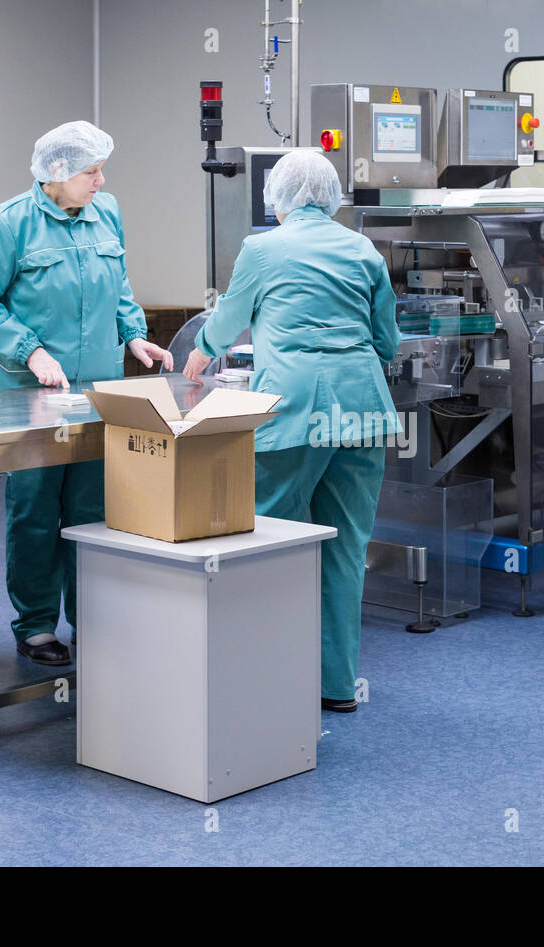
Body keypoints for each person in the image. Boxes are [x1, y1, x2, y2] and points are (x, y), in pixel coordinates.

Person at [182, 150, 400, 712]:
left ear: (276, 198)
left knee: (268, 543)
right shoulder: (362, 248)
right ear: (331, 197)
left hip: (294, 408)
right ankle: (335, 686)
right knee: (346, 547)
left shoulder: (262, 248)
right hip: (363, 408)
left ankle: (265, 681)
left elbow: (229, 318)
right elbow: (387, 340)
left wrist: (201, 354)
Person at [0, 120, 173, 666]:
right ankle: (35, 627)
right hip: (28, 393)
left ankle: (91, 620)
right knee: (34, 508)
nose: (101, 180)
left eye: (102, 169)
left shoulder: (107, 212)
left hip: (99, 390)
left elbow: (120, 283)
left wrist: (135, 337)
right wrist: (29, 349)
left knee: (92, 507)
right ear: (56, 174)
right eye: (90, 171)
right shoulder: (10, 225)